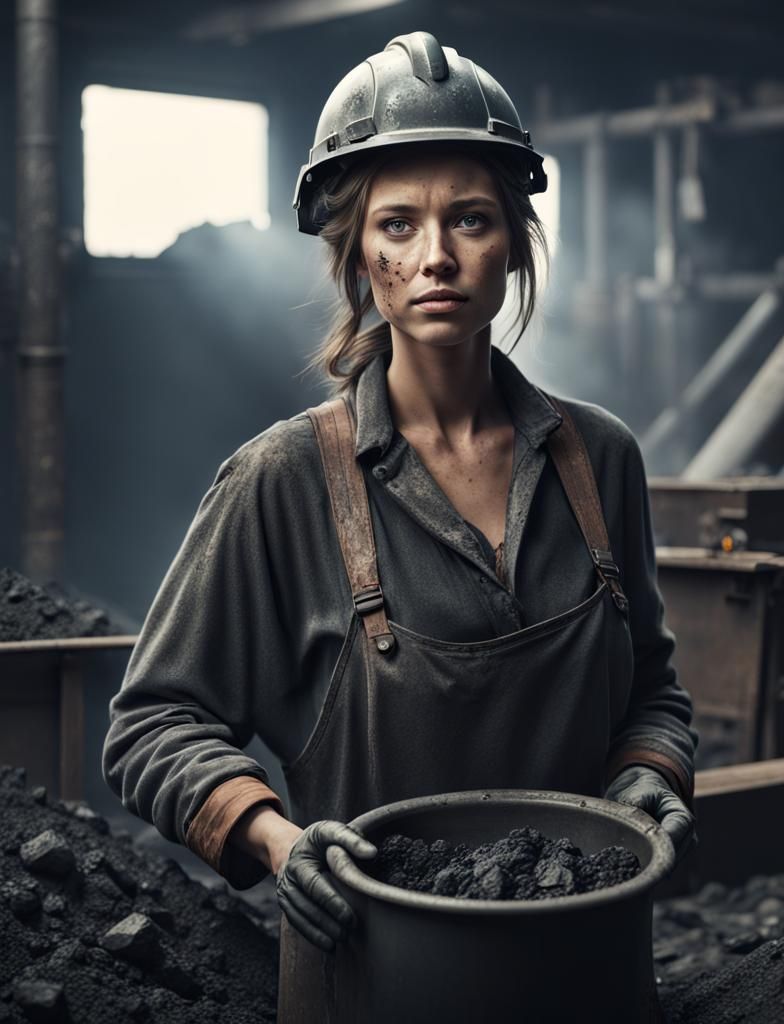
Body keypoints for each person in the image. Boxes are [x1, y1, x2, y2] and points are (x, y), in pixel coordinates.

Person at [103, 31, 698, 953]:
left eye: (469, 219)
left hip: (587, 971)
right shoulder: (283, 481)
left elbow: (654, 689)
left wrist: (648, 771)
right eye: (397, 225)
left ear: (513, 243)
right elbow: (152, 724)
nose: (436, 257)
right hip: (379, 978)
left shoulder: (600, 459)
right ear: (356, 256)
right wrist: (277, 840)